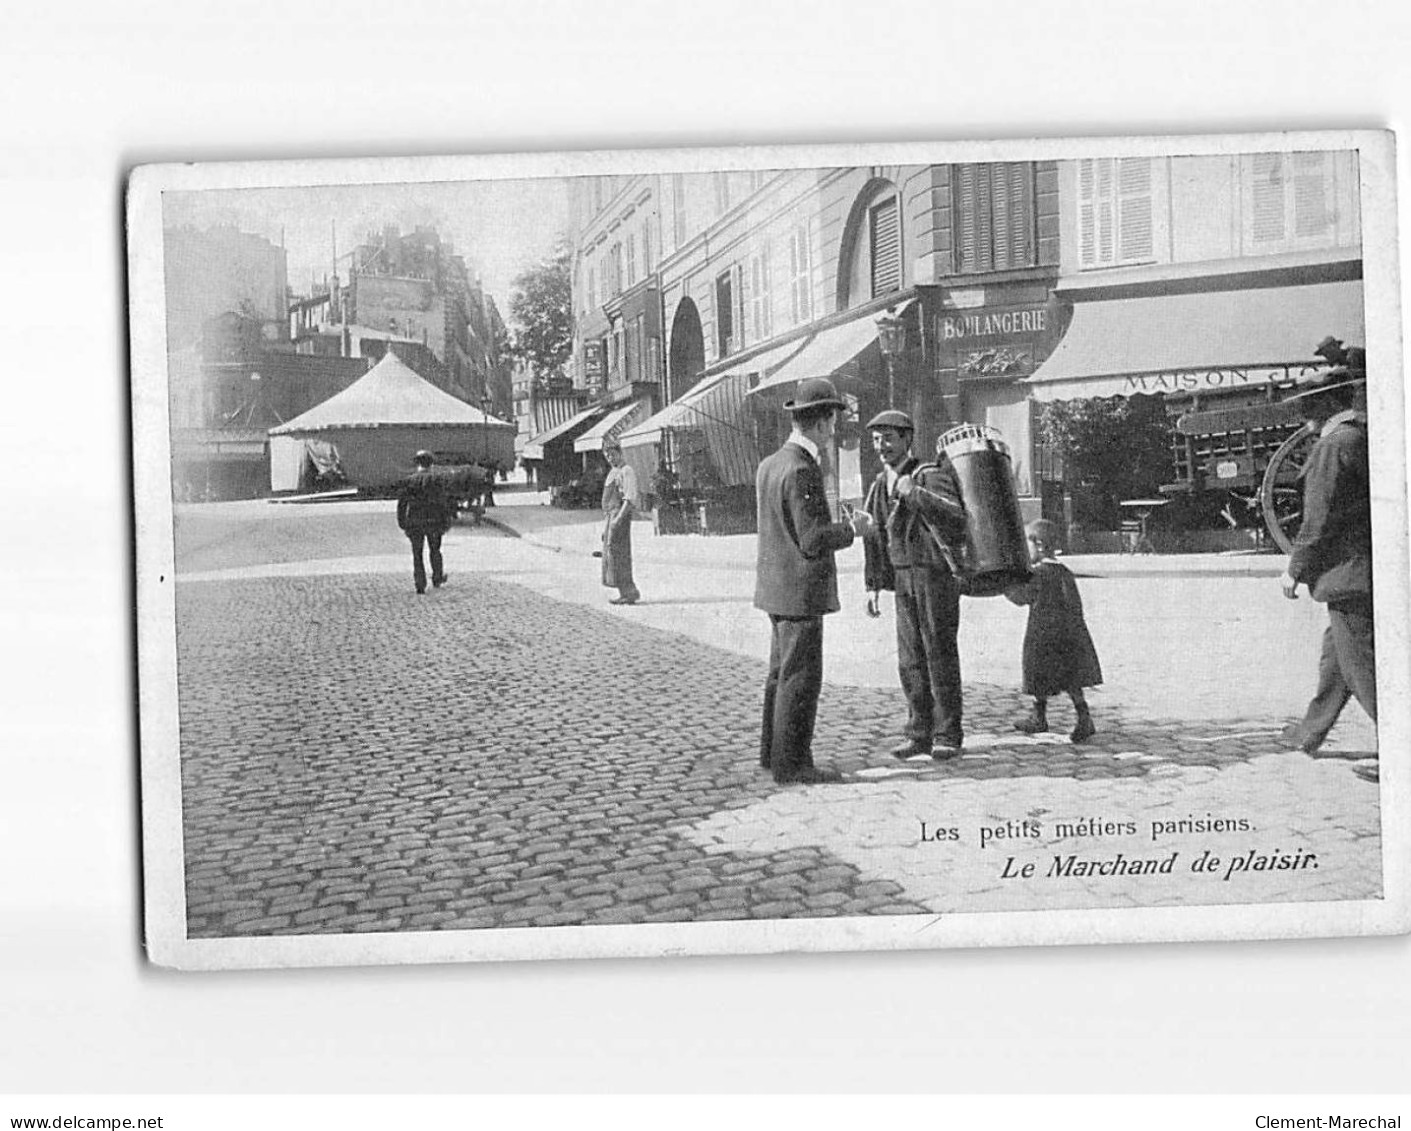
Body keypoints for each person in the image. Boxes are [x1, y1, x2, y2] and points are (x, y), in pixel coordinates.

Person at [754, 377, 873, 785]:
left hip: (775, 589)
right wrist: (853, 530)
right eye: (833, 421)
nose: (834, 430)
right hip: (801, 592)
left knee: (779, 674)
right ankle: (794, 764)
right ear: (821, 423)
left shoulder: (770, 464)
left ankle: (772, 754)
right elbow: (811, 539)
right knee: (800, 678)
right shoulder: (803, 469)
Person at [860, 410, 970, 760]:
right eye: (877, 440)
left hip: (934, 574)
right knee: (909, 659)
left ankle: (948, 733)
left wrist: (913, 494)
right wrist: (873, 585)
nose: (882, 447)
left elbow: (956, 515)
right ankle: (918, 732)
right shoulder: (880, 483)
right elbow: (875, 533)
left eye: (889, 438)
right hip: (903, 576)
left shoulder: (928, 474)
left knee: (938, 652)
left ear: (908, 439)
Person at [1279, 365, 1375, 759]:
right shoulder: (1356, 436)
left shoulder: (1333, 444)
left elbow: (1319, 517)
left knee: (1364, 672)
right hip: (1360, 571)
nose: (1304, 411)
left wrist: (1294, 569)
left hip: (1348, 573)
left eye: (1308, 402)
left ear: (1325, 403)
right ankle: (1310, 732)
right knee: (1337, 661)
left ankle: (1402, 748)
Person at [1003, 518, 1102, 743]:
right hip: (1069, 634)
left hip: (1042, 634)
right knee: (1071, 678)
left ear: (1038, 545)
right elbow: (1075, 604)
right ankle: (1083, 716)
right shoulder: (1064, 572)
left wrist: (1005, 585)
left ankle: (1039, 716)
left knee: (1038, 674)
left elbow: (1022, 597)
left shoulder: (1037, 573)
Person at [396, 450, 452, 595]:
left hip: (415, 522)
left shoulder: (409, 480)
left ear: (417, 464)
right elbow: (445, 501)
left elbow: (402, 503)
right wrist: (447, 520)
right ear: (431, 464)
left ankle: (419, 583)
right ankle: (437, 577)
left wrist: (402, 522)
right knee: (435, 550)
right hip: (434, 521)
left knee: (417, 553)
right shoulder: (438, 480)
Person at [600, 438, 642, 605]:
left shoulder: (627, 471)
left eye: (613, 454)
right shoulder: (613, 472)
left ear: (620, 452)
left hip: (620, 516)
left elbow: (629, 499)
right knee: (612, 555)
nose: (610, 458)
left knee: (621, 553)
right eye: (607, 455)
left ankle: (629, 591)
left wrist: (617, 520)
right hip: (611, 516)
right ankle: (624, 590)